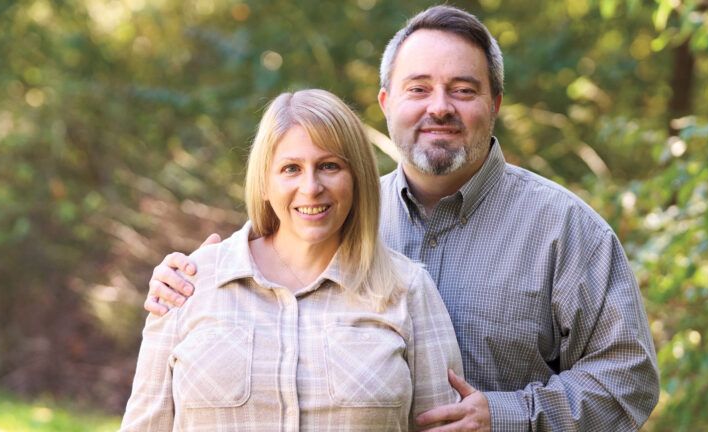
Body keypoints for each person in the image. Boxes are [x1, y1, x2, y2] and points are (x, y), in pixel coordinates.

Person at [145, 6, 660, 431]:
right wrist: (184, 280)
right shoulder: (332, 213)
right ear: (387, 103)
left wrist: (508, 416)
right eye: (418, 89)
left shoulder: (566, 231)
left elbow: (629, 381)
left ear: (495, 103)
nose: (439, 107)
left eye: (463, 89)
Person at [122, 89, 464, 431]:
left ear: (358, 179)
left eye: (329, 166)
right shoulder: (188, 283)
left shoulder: (407, 289)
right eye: (291, 169)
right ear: (265, 183)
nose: (311, 187)